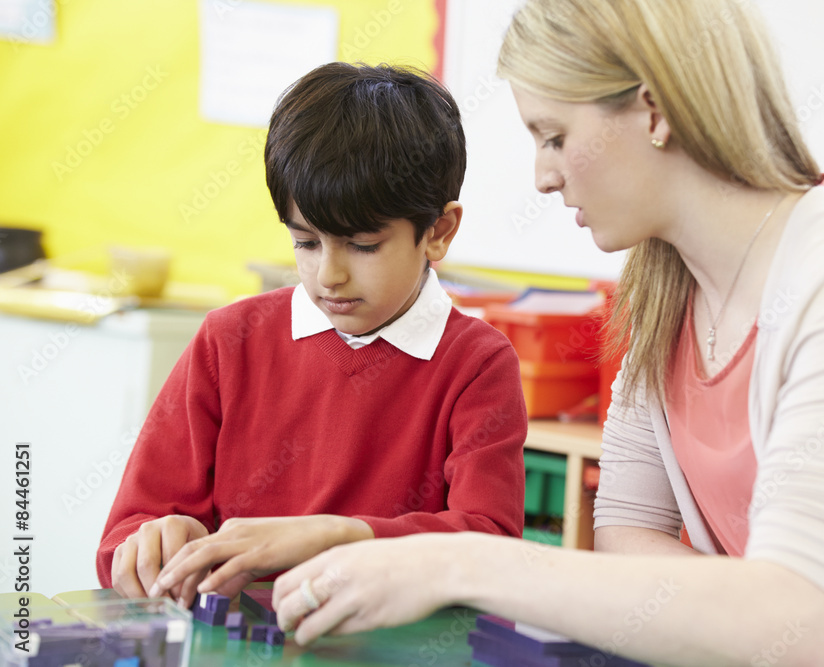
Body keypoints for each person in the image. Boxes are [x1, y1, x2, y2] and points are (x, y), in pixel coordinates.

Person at [267, 2, 824, 666]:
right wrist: (744, 606)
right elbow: (625, 533)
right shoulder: (665, 298)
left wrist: (452, 562)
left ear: (652, 109)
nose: (543, 178)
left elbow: (796, 620)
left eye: (554, 136)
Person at [96, 62, 528, 607]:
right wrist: (153, 543)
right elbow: (123, 539)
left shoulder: (476, 363)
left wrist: (338, 536)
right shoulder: (229, 340)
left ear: (438, 232)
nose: (329, 274)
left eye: (363, 245)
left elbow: (490, 545)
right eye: (305, 243)